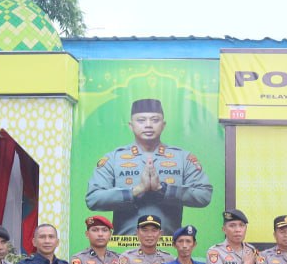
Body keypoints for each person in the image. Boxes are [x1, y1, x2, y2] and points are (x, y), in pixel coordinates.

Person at [85, 98, 213, 236]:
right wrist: (136, 191)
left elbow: (204, 195)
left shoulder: (182, 158)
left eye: (155, 120)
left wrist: (163, 190)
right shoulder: (114, 159)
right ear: (131, 125)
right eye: (141, 120)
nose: (148, 125)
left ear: (163, 125)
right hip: (124, 244)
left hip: (168, 243)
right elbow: (93, 199)